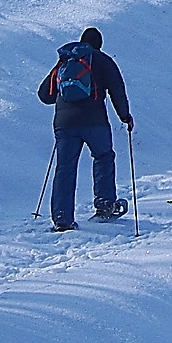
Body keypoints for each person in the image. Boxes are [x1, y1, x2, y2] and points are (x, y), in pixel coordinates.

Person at [36, 26, 133, 229]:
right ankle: (105, 206)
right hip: (94, 121)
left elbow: (45, 95)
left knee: (65, 168)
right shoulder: (103, 60)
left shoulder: (65, 60)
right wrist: (125, 116)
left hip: (64, 124)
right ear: (98, 45)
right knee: (103, 157)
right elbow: (117, 89)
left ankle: (62, 218)